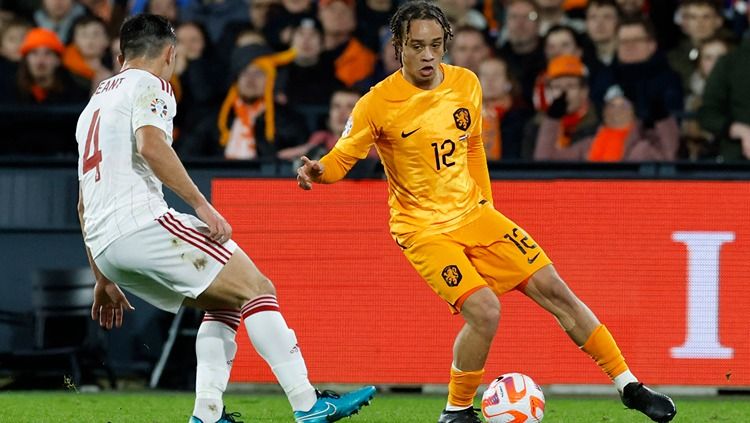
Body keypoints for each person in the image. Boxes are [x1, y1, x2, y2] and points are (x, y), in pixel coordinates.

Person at [296, 2, 676, 423]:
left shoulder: (466, 83)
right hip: (423, 229)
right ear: (398, 46)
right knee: (485, 309)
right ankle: (456, 411)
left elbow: (473, 145)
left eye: (436, 45)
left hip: (475, 215)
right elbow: (344, 157)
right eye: (417, 46)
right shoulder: (377, 103)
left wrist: (486, 207)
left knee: (555, 288)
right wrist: (320, 170)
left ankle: (629, 385)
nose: (427, 55)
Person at [75, 14, 375, 423]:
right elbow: (151, 145)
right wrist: (201, 204)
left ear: (119, 53)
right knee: (257, 288)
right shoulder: (151, 84)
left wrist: (103, 277)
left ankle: (208, 413)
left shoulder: (93, 106)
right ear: (169, 53)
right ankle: (308, 405)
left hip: (106, 245)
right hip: (142, 224)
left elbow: (82, 204)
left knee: (228, 302)